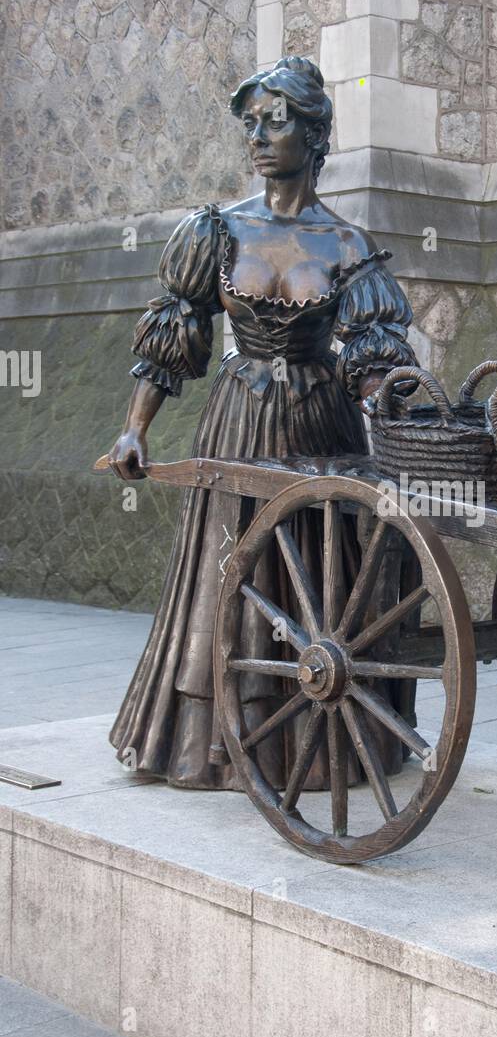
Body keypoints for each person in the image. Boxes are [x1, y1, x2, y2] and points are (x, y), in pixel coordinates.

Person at [107, 56, 416, 791]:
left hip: (321, 424)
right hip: (240, 417)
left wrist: (391, 399)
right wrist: (134, 428)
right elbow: (176, 333)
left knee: (317, 571)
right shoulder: (216, 230)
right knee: (230, 570)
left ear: (315, 137)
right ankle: (214, 746)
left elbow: (373, 357)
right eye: (251, 121)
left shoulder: (346, 246)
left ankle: (317, 738)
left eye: (276, 121)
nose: (259, 134)